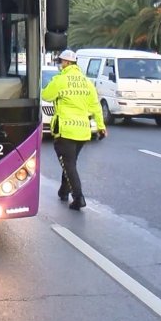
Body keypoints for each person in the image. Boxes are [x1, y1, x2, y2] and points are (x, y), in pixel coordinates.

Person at [41, 49, 107, 211]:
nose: (59, 65)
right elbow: (95, 107)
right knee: (70, 162)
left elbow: (46, 96)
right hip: (83, 131)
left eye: (60, 62)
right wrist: (101, 127)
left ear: (66, 63)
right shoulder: (87, 82)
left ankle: (78, 197)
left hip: (66, 130)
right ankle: (64, 191)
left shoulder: (60, 79)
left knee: (68, 163)